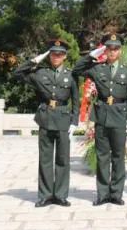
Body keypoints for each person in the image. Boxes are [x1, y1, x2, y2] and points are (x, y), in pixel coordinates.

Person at [72, 32, 127, 206]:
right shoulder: (97, 69)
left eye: (116, 49)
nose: (112, 52)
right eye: (109, 49)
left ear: (120, 51)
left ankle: (116, 194)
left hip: (119, 116)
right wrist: (92, 55)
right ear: (105, 50)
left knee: (118, 156)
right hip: (101, 117)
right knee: (102, 157)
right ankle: (102, 194)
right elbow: (77, 70)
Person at [14, 38, 79, 207]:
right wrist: (37, 59)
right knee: (45, 159)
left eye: (59, 54)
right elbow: (18, 73)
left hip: (64, 119)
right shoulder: (40, 73)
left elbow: (76, 100)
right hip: (46, 118)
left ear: (64, 56)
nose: (56, 57)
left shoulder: (71, 74)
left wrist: (74, 122)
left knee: (63, 159)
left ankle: (61, 195)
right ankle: (45, 195)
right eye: (53, 54)